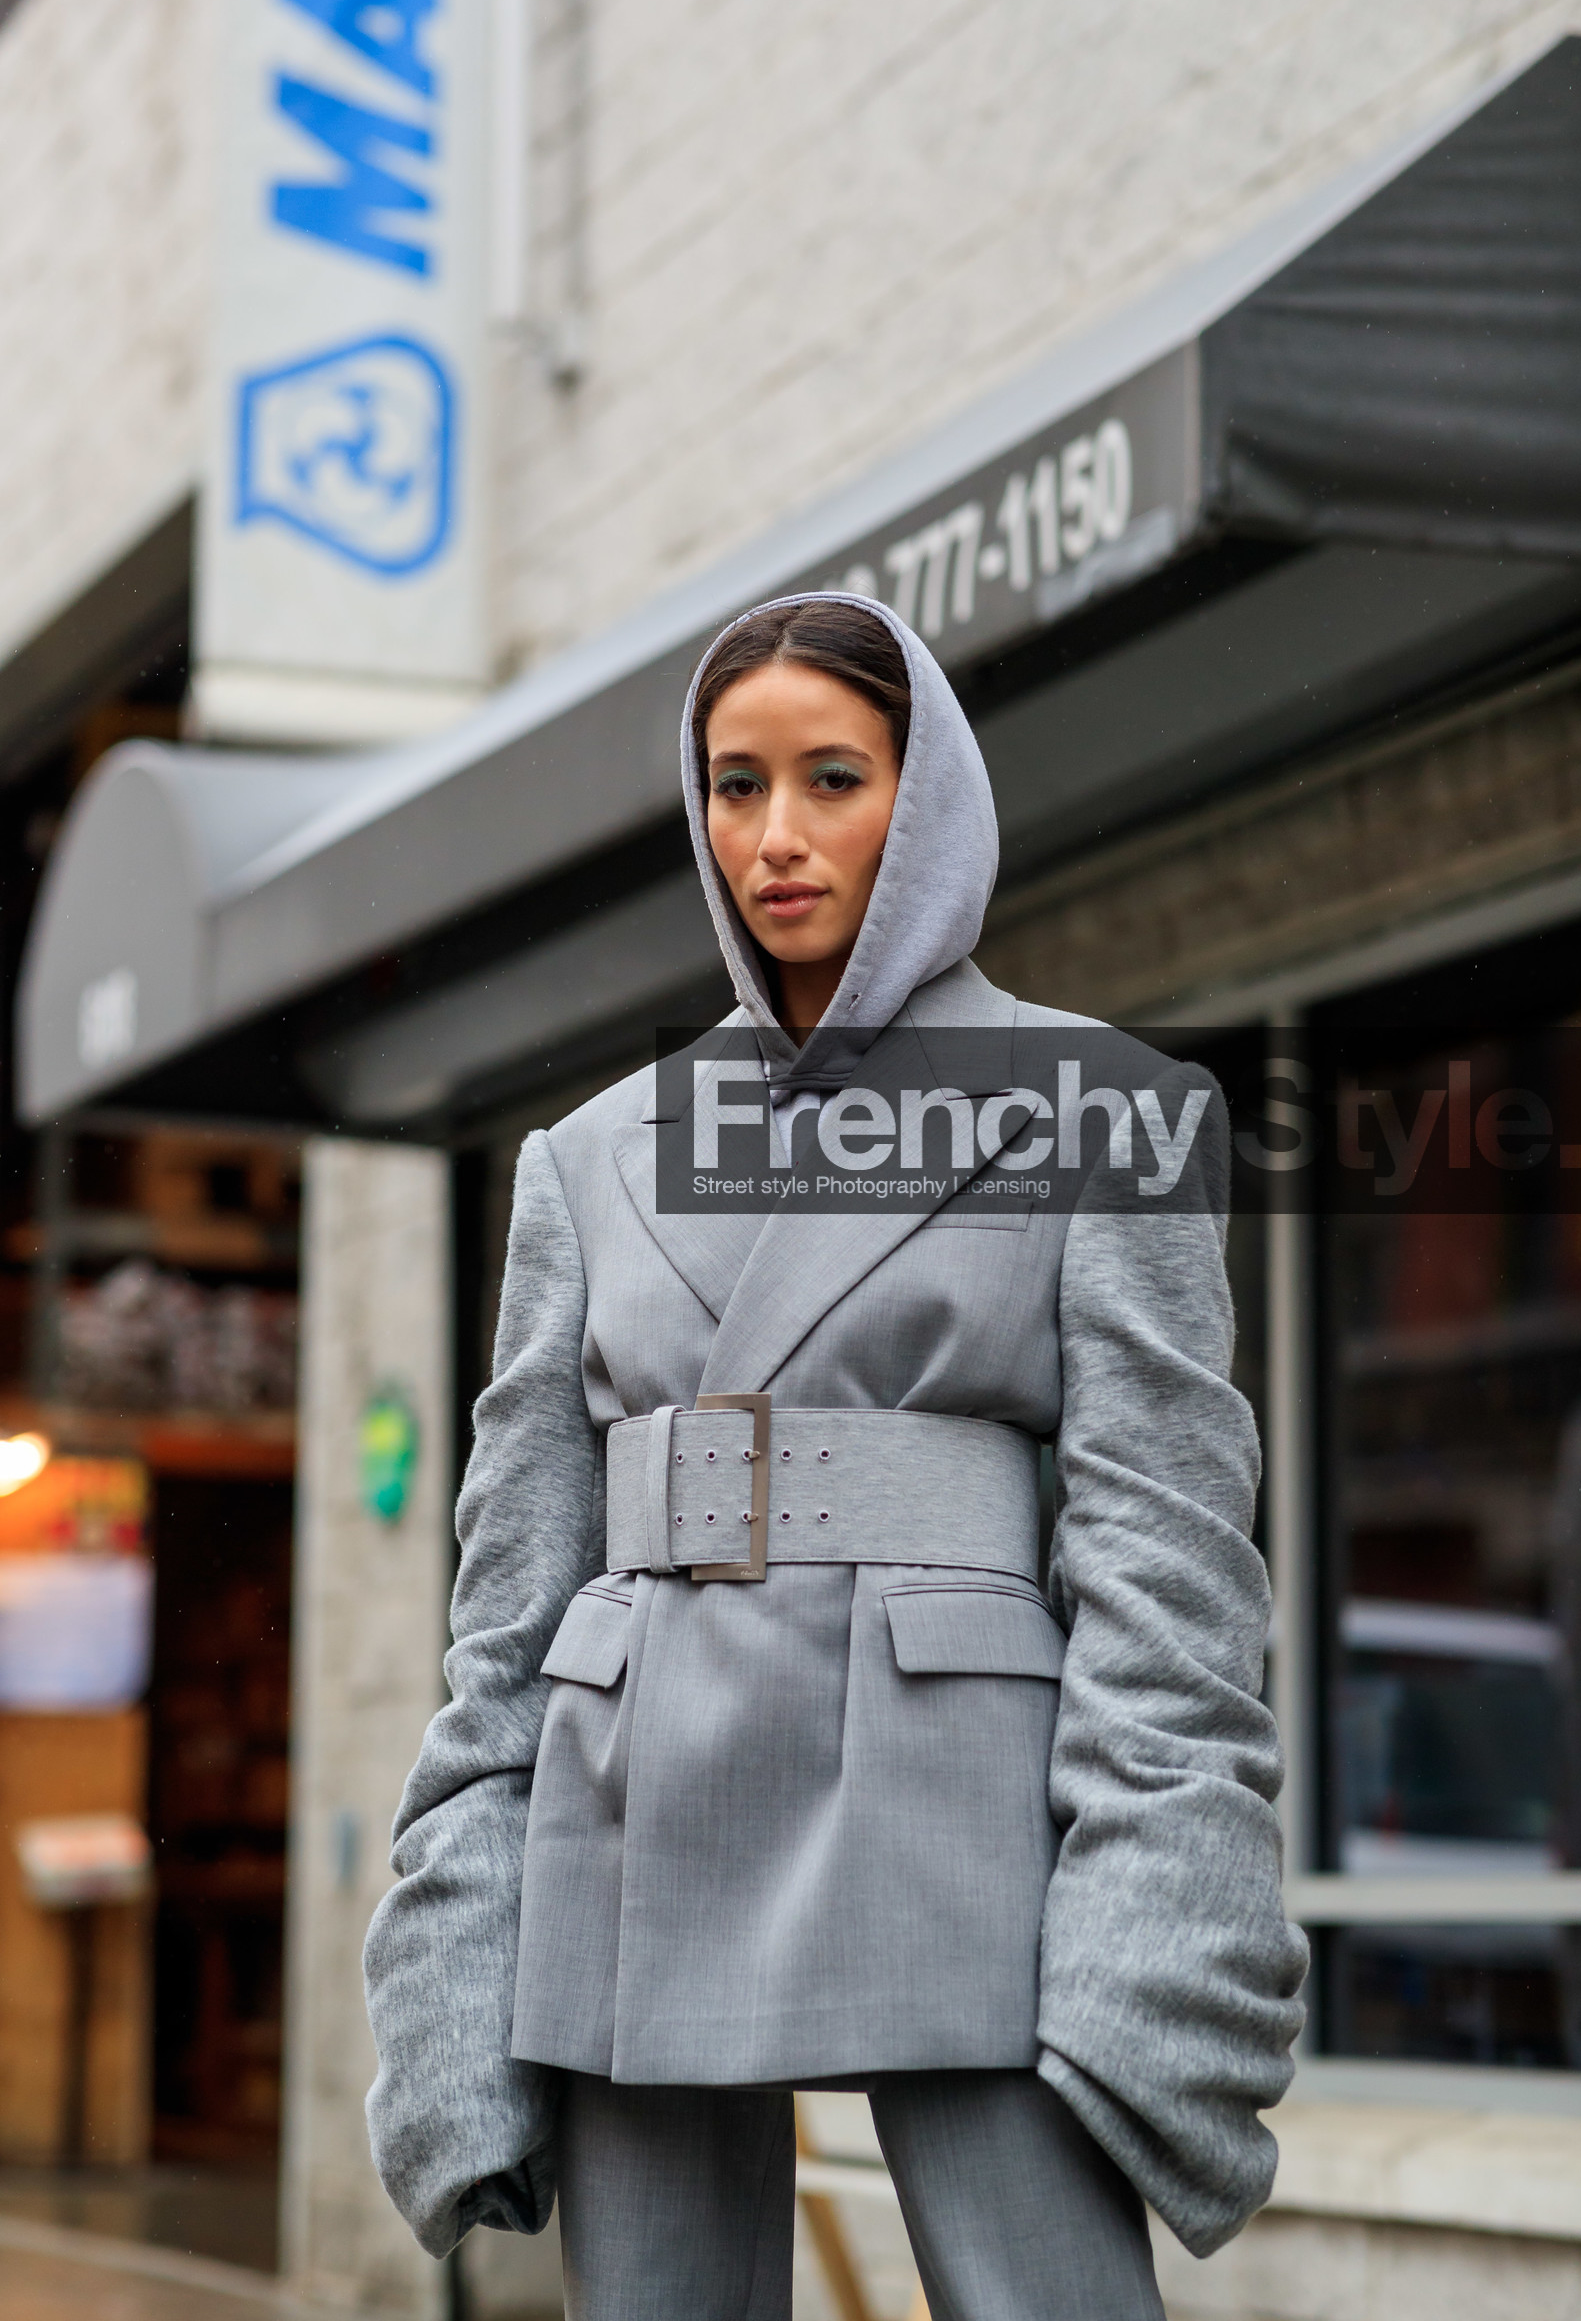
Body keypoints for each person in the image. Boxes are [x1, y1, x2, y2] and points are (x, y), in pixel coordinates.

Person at [364, 594, 1308, 2321]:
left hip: (960, 1811)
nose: (775, 838)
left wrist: (1156, 1905)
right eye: (735, 787)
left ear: (926, 792)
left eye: (832, 777)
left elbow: (1169, 1578)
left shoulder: (1105, 1113)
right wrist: (454, 1918)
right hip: (631, 1798)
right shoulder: (590, 1159)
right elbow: (503, 1608)